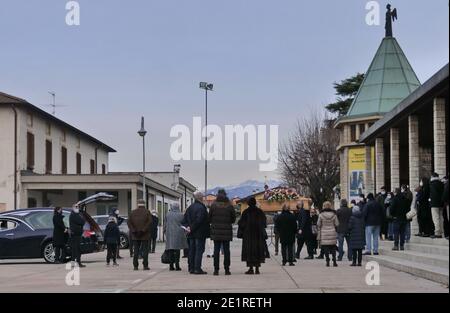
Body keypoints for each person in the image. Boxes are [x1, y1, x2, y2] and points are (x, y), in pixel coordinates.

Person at [209, 189, 236, 276]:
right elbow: (233, 219)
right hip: (226, 231)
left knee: (216, 251)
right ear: (225, 195)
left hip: (216, 231)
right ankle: (227, 269)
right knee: (226, 251)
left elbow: (209, 218)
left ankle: (216, 270)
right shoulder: (229, 205)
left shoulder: (213, 205)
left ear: (217, 195)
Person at [182, 192, 210, 275]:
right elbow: (199, 220)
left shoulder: (190, 208)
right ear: (201, 198)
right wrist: (191, 228)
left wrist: (187, 227)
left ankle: (191, 268)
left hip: (190, 234)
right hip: (199, 233)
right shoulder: (202, 208)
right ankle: (197, 268)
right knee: (199, 251)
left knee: (191, 250)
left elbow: (184, 220)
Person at [238, 197, 266, 275]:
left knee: (249, 251)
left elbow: (241, 223)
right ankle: (257, 268)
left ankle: (250, 268)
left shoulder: (246, 212)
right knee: (257, 250)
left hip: (248, 235)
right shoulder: (260, 212)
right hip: (258, 235)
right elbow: (264, 223)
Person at [127, 199, 152, 270]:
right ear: (144, 204)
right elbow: (149, 222)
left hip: (135, 235)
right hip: (145, 235)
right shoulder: (147, 212)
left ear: (138, 204)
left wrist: (134, 230)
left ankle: (135, 266)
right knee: (145, 251)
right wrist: (143, 230)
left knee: (136, 251)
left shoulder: (132, 212)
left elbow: (129, 222)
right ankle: (145, 265)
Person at [165, 203, 188, 271]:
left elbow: (165, 223)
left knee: (170, 249)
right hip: (178, 233)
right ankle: (177, 266)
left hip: (169, 233)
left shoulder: (168, 214)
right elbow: (183, 223)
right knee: (177, 250)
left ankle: (171, 265)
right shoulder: (181, 214)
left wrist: (165, 231)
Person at [317, 201, 339, 267]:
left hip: (324, 233)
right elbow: (337, 224)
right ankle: (334, 261)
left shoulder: (321, 215)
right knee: (333, 247)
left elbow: (318, 224)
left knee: (326, 247)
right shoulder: (334, 214)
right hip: (332, 232)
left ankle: (327, 261)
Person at [430, 173, 445, 239]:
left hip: (434, 203)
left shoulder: (432, 184)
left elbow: (433, 194)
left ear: (432, 176)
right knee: (441, 217)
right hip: (441, 203)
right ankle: (442, 232)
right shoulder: (441, 183)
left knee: (435, 218)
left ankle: (437, 233)